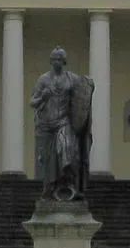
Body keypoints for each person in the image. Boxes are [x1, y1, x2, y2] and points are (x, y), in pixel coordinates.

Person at [29, 47, 91, 200]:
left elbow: (83, 92)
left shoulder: (72, 79)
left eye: (60, 59)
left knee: (66, 149)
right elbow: (32, 102)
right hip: (46, 124)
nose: (57, 62)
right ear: (51, 61)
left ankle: (69, 184)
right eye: (54, 59)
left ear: (64, 61)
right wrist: (42, 98)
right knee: (48, 160)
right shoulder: (43, 79)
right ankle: (50, 188)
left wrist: (90, 86)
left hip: (64, 121)